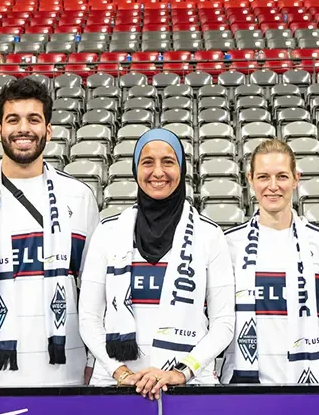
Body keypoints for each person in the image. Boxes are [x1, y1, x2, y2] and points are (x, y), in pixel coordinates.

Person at [0, 77, 101, 386]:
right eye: (13, 120)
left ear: (48, 130)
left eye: (34, 119)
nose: (23, 128)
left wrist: (95, 364)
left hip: (66, 376)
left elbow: (95, 291)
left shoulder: (79, 198)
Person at [79, 128, 234, 400]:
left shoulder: (209, 235)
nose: (158, 172)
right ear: (135, 169)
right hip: (117, 384)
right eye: (147, 162)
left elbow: (223, 323)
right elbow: (89, 319)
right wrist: (122, 372)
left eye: (168, 162)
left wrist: (182, 372)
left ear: (182, 168)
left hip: (189, 385)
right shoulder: (108, 232)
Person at [221, 139, 319, 384]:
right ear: (250, 178)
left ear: (296, 179)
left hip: (309, 383)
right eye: (264, 177)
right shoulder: (228, 244)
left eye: (282, 177)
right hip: (242, 384)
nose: (273, 186)